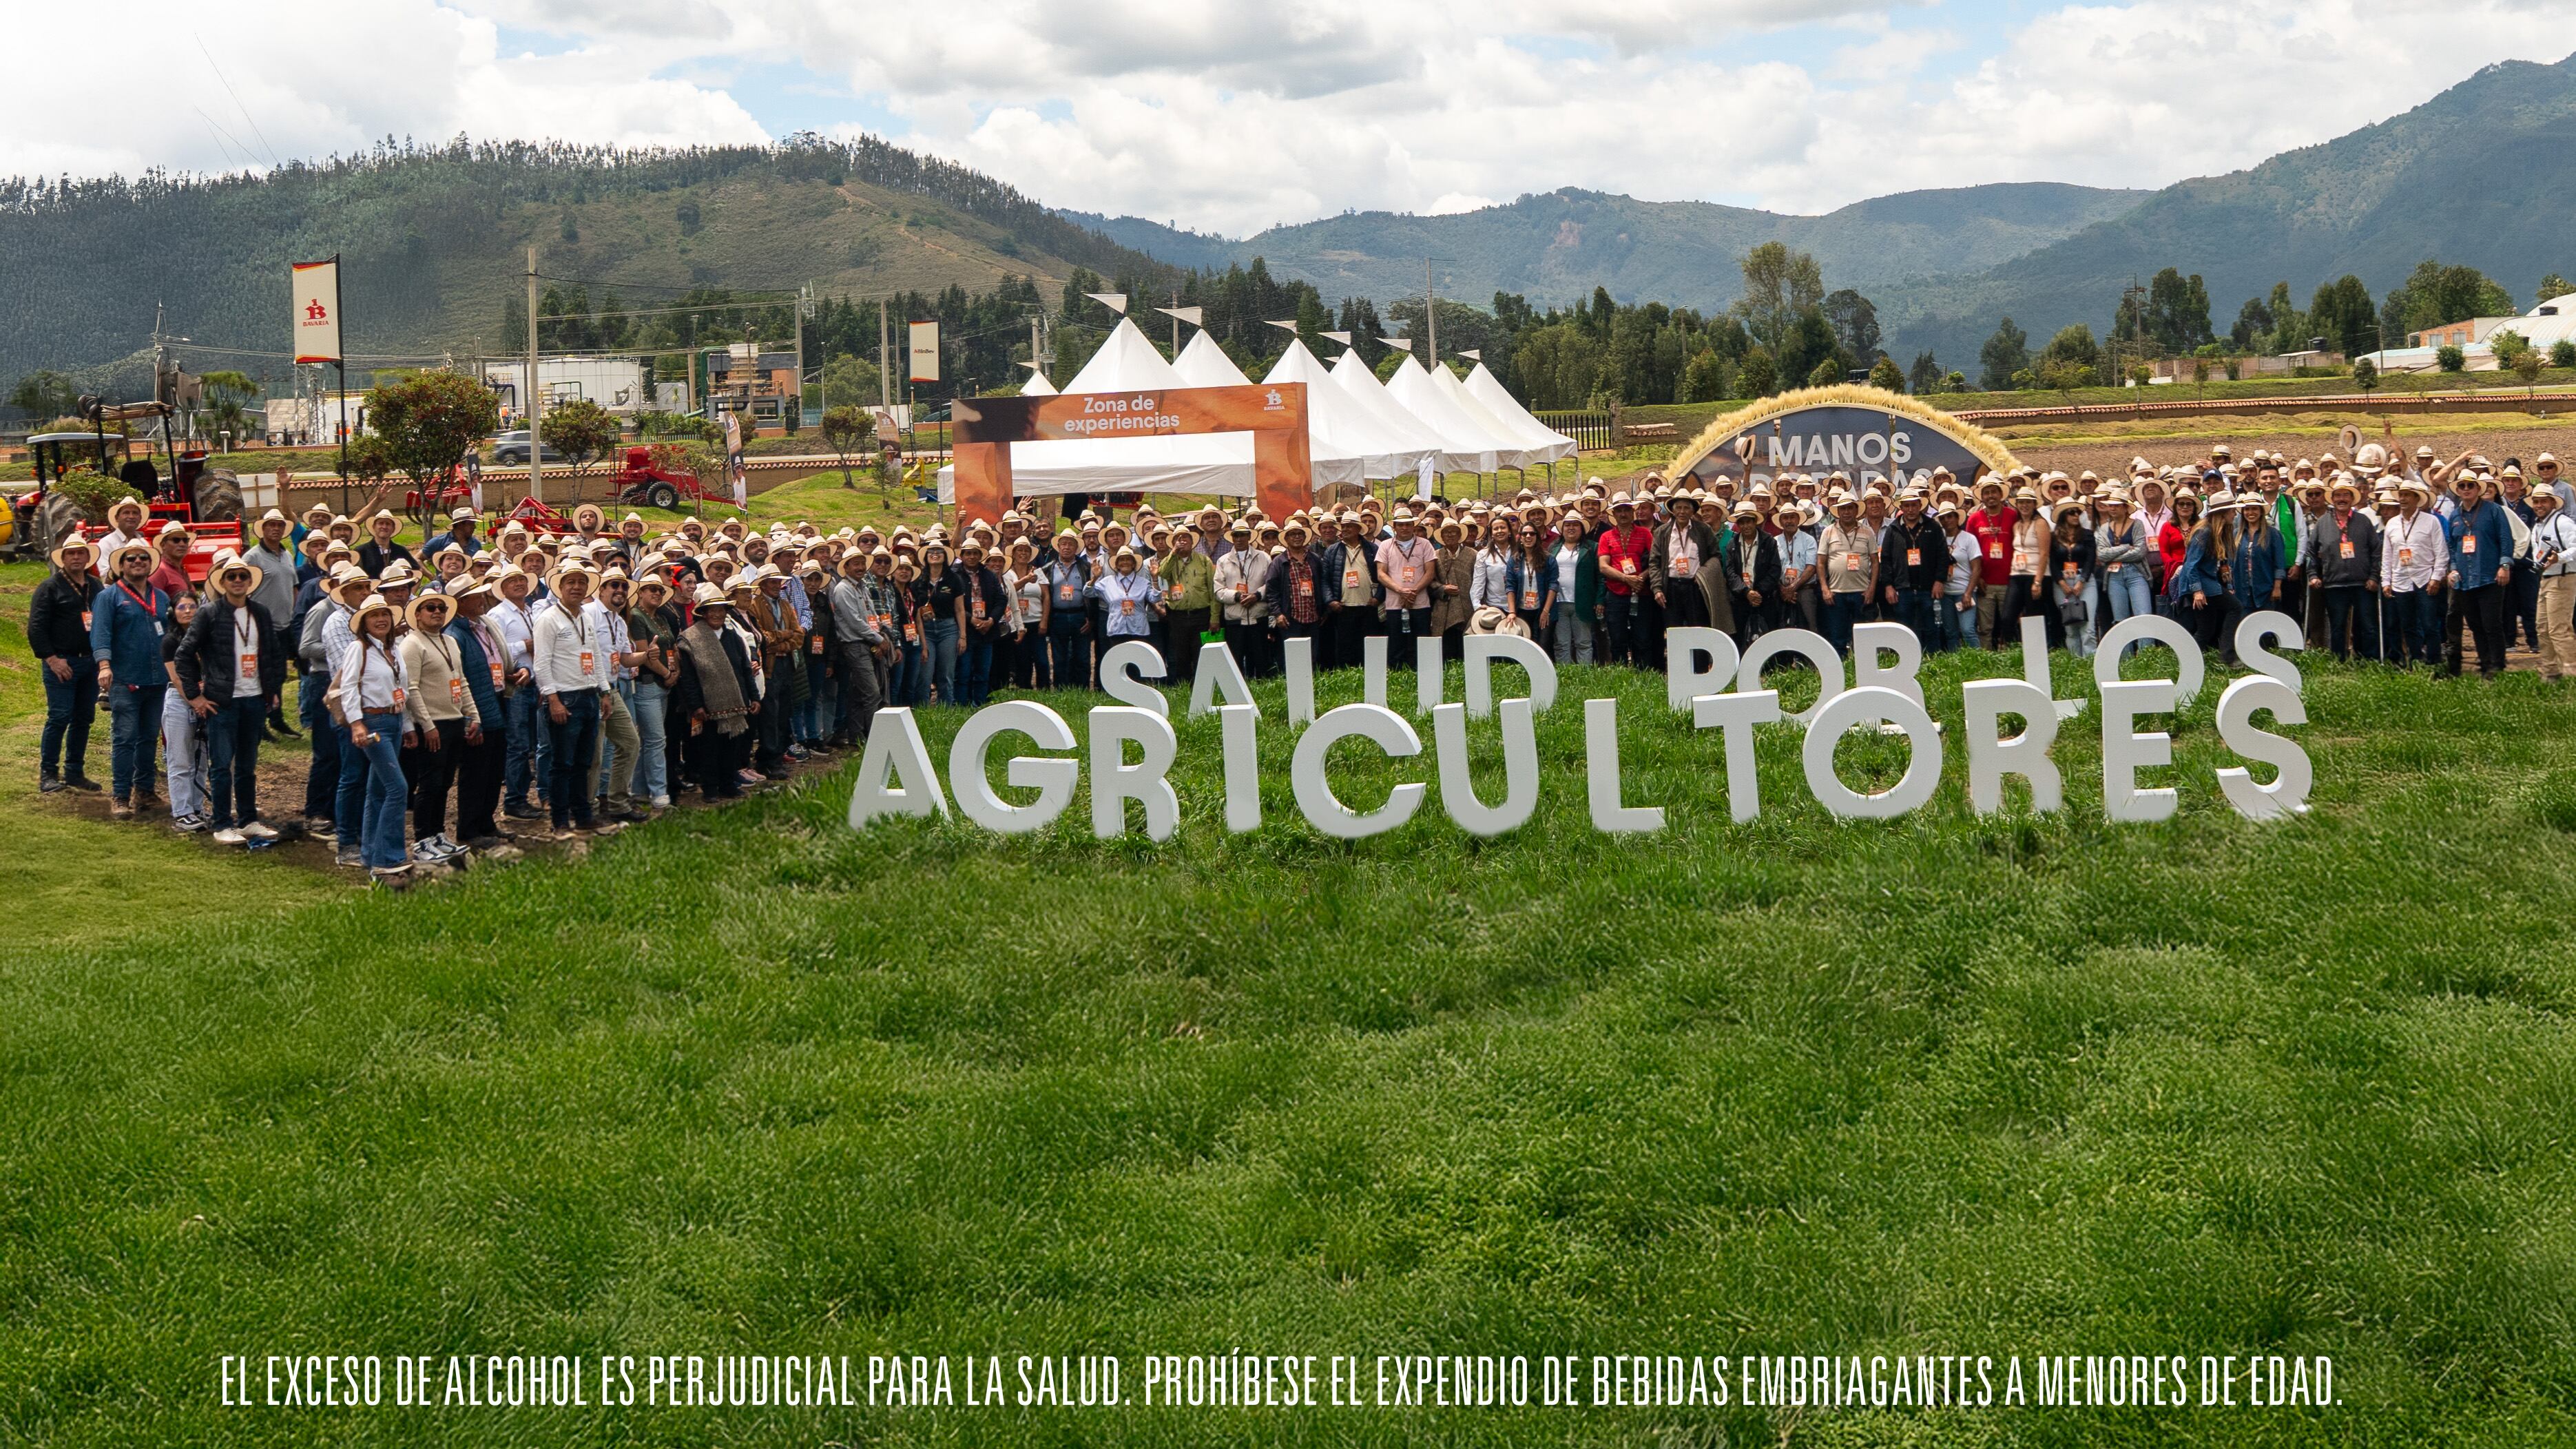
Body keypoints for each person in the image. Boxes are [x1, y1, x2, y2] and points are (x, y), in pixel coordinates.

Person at [173, 552, 287, 844]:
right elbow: (184, 654)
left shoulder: (260, 612)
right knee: (222, 765)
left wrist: (273, 690)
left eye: (243, 576)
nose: (238, 581)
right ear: (222, 582)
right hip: (222, 701)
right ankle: (222, 823)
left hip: (255, 698)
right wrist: (195, 696)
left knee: (247, 765)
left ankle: (248, 820)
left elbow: (274, 654)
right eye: (232, 577)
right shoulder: (209, 613)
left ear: (250, 581)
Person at [531, 559, 616, 839]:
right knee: (562, 763)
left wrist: (604, 691)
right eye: (571, 583)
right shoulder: (548, 619)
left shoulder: (585, 617)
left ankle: (583, 816)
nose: (577, 587)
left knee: (584, 762)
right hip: (565, 697)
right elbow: (541, 664)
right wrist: (552, 699)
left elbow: (596, 657)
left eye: (581, 583)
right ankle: (559, 821)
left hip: (589, 695)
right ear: (560, 587)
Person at [334, 594, 414, 883]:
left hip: (393, 718)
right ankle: (388, 857)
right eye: (373, 615)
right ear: (364, 623)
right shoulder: (359, 648)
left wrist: (407, 726)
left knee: (378, 790)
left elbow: (402, 689)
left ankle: (370, 854)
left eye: (385, 614)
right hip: (373, 720)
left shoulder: (393, 649)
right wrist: (357, 724)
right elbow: (349, 687)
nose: (381, 619)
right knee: (397, 788)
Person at [92, 539, 171, 818]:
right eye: (131, 558)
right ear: (121, 566)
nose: (138, 562)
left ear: (150, 564)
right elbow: (100, 633)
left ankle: (145, 791)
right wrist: (104, 665)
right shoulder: (108, 597)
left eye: (143, 558)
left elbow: (172, 637)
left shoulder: (161, 598)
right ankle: (121, 795)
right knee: (125, 737)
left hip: (157, 679)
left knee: (149, 737)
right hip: (125, 679)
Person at [397, 590, 477, 861]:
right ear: (417, 615)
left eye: (441, 608)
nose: (437, 612)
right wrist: (427, 725)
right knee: (429, 782)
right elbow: (411, 688)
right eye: (429, 608)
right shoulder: (412, 644)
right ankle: (422, 841)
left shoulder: (450, 641)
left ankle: (438, 834)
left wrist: (473, 715)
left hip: (454, 719)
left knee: (444, 782)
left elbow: (461, 681)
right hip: (432, 724)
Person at [29, 535, 103, 794]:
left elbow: (103, 622)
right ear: (63, 558)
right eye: (70, 554)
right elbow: (36, 628)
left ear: (87, 557)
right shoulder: (49, 587)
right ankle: (48, 773)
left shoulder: (96, 586)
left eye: (80, 553)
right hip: (62, 662)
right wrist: (51, 659)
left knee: (84, 718)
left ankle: (74, 772)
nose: (75, 558)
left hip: (90, 662)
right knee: (59, 717)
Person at [672, 583, 758, 800]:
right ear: (703, 612)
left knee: (732, 748)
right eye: (712, 609)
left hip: (736, 704)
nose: (717, 614)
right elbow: (688, 678)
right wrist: (696, 705)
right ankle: (710, 789)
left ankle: (728, 785)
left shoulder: (733, 637)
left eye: (721, 609)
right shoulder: (690, 639)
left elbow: (746, 670)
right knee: (709, 750)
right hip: (708, 706)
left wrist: (754, 696)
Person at [446, 576, 512, 848]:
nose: (483, 598)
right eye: (477, 595)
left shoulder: (483, 626)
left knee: (494, 767)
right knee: (476, 770)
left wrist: (510, 674)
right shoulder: (456, 634)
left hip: (496, 698)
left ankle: (486, 821)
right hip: (477, 707)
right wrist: (469, 718)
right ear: (461, 603)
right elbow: (458, 679)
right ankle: (469, 828)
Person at [2442, 472, 2515, 679]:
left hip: (2490, 576)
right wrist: (2453, 568)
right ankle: (2484, 664)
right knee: (2475, 625)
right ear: (2458, 490)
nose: (2466, 489)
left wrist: (2505, 566)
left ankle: (2497, 665)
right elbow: (2453, 547)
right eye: (2462, 486)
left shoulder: (2494, 511)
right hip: (2465, 580)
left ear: (2478, 489)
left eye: (2470, 486)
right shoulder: (2455, 516)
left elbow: (2506, 540)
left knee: (2492, 623)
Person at [2307, 477, 2381, 663]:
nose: (2342, 499)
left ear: (2352, 498)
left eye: (2345, 495)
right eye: (2338, 495)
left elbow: (2376, 550)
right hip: (2334, 584)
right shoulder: (2322, 523)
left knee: (2368, 626)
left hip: (2362, 583)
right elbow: (2310, 551)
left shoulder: (2363, 521)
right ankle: (2339, 662)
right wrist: (2313, 574)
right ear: (2332, 499)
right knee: (2338, 627)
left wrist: (2374, 576)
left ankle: (2369, 663)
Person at [2379, 480, 2447, 669]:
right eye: (2401, 495)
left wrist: (2436, 578)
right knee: (2408, 626)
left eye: (2407, 495)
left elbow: (2441, 553)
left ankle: (2434, 663)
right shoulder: (2392, 524)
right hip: (2401, 581)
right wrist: (2386, 581)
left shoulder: (2430, 521)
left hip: (2425, 579)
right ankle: (2416, 661)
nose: (2403, 499)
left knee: (2429, 624)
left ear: (2417, 498)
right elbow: (2388, 556)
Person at [827, 553, 889, 742]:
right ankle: (875, 739)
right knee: (872, 693)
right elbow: (855, 622)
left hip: (866, 643)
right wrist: (878, 639)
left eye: (862, 564)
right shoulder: (843, 589)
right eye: (856, 564)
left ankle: (856, 737)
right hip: (854, 644)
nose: (861, 567)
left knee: (857, 693)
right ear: (846, 567)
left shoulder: (862, 587)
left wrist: (877, 637)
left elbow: (872, 616)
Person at [1880, 490, 1946, 653]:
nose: (1910, 509)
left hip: (1928, 588)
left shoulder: (1933, 526)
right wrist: (1888, 586)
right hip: (1902, 589)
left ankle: (1934, 663)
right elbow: (1886, 559)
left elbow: (1943, 555)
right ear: (1901, 507)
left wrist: (1939, 581)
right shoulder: (1893, 529)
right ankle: (1908, 660)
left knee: (1931, 628)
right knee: (1905, 629)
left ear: (1920, 506)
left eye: (1914, 505)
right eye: (1907, 506)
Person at [1267, 520, 1329, 667]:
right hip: (1290, 619)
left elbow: (1323, 583)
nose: (1297, 537)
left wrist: (1324, 611)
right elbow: (1271, 591)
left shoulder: (1314, 559)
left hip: (1313, 617)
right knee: (1293, 659)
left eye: (1300, 534)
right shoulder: (1279, 562)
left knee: (1312, 657)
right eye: (1293, 534)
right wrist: (1278, 614)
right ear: (1286, 539)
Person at [1322, 514, 1378, 671]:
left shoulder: (1372, 549)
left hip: (1368, 607)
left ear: (1358, 529)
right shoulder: (1332, 551)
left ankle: (1370, 675)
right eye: (1343, 526)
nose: (1345, 529)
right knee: (1345, 648)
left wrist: (1378, 598)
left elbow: (1381, 575)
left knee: (1368, 646)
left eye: (1349, 526)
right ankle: (1346, 677)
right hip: (1343, 608)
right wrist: (1330, 601)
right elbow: (1325, 580)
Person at [2531, 484, 2576, 682]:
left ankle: (2571, 674)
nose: (2539, 505)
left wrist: (2560, 558)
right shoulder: (2538, 525)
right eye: (2536, 501)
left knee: (2559, 630)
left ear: (2552, 503)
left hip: (2563, 579)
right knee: (2542, 627)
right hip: (2546, 579)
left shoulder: (2563, 522)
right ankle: (2551, 672)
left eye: (2543, 501)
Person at [1964, 480, 2017, 647]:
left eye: (1994, 492)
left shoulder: (2013, 515)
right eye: (1986, 493)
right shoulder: (1974, 519)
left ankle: (2009, 659)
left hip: (2009, 581)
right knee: (1985, 628)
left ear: (2001, 495)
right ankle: (1987, 660)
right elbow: (1968, 551)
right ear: (1982, 497)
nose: (1991, 496)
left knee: (2009, 625)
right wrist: (1977, 578)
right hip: (1984, 582)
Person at [1214, 522, 1271, 676]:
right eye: (1236, 535)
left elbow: (1271, 584)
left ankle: (1262, 689)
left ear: (1249, 536)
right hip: (1235, 618)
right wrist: (1237, 596)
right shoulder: (1223, 561)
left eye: (1243, 535)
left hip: (1258, 616)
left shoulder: (1263, 557)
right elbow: (1218, 590)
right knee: (1236, 660)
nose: (1239, 539)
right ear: (1232, 538)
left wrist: (1257, 595)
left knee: (1260, 659)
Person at [1550, 514, 1597, 665]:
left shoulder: (1591, 548)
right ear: (1562, 529)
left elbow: (1600, 577)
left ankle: (1584, 677)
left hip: (1582, 602)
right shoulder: (1553, 548)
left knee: (1583, 642)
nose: (1571, 528)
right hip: (1558, 603)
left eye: (1575, 525)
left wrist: (1599, 599)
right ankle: (1566, 676)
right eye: (1567, 525)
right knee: (1561, 644)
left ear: (1582, 529)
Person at [357, 510, 415, 578]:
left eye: (388, 524)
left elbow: (416, 572)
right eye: (381, 523)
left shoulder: (401, 551)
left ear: (393, 529)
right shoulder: (362, 551)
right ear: (374, 527)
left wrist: (411, 589)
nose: (384, 527)